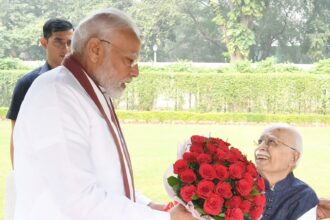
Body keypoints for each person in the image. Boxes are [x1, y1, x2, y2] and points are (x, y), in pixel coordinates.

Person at [13, 8, 196, 220]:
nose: (135, 72)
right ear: (95, 49)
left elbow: (111, 182)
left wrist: (152, 207)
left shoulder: (87, 90)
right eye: (129, 60)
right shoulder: (57, 94)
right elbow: (79, 202)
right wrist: (167, 219)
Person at [6, 18, 74, 168]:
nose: (66, 48)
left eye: (70, 42)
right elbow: (17, 136)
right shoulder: (27, 84)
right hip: (39, 169)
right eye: (58, 41)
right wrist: (19, 176)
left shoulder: (81, 84)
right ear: (44, 42)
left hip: (75, 169)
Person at [254, 123, 319, 219]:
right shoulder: (237, 184)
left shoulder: (303, 196)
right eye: (259, 142)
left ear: (294, 157)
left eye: (271, 141)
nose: (260, 147)